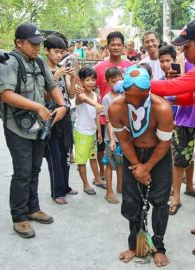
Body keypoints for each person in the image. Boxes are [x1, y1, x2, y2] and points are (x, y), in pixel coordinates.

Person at [0, 22, 67, 238]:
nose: (37, 48)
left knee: (35, 169)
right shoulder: (9, 62)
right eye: (32, 44)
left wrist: (62, 105)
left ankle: (32, 208)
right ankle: (19, 217)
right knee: (23, 171)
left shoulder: (39, 62)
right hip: (16, 127)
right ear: (19, 42)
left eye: (38, 44)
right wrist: (38, 107)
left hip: (37, 126)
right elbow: (5, 94)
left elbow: (52, 85)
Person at [150, 19, 195, 256]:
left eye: (186, 48)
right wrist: (173, 100)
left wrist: (137, 83)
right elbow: (188, 96)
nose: (183, 53)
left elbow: (172, 87)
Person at [109, 65, 173, 267]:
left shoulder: (161, 107)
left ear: (149, 91)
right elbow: (124, 140)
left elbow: (164, 142)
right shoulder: (116, 107)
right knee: (131, 201)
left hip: (159, 155)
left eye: (140, 97)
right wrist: (137, 166)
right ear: (124, 91)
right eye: (130, 97)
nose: (135, 102)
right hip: (132, 154)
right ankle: (135, 245)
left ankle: (158, 247)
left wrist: (148, 167)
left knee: (160, 202)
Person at [158, 46, 195, 215]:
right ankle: (176, 196)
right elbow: (175, 90)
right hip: (184, 120)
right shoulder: (182, 61)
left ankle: (190, 186)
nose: (185, 48)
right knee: (180, 159)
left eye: (187, 45)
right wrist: (173, 78)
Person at [43, 34, 77, 204]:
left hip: (66, 115)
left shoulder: (62, 69)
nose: (59, 55)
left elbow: (70, 94)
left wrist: (73, 76)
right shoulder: (42, 70)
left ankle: (65, 186)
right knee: (54, 155)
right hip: (50, 117)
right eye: (56, 52)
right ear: (46, 51)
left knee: (65, 152)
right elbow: (44, 96)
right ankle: (57, 192)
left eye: (61, 52)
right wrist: (55, 76)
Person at [94, 31, 132, 180]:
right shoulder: (99, 67)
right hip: (105, 116)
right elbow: (90, 87)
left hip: (125, 117)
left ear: (123, 47)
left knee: (123, 147)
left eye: (119, 44)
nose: (116, 47)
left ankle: (123, 178)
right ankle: (103, 173)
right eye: (113, 44)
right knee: (103, 147)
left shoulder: (129, 66)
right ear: (107, 46)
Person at [74, 67, 105, 195]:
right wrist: (96, 104)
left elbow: (97, 114)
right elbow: (85, 100)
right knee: (81, 161)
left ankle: (97, 179)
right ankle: (85, 184)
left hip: (92, 132)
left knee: (93, 157)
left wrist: (99, 131)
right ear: (81, 81)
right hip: (81, 132)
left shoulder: (95, 94)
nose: (91, 82)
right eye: (87, 80)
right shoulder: (79, 94)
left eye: (93, 79)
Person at [101, 67, 123, 204]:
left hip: (124, 137)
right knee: (110, 164)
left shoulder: (125, 95)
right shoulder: (106, 98)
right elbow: (108, 121)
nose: (116, 83)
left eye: (119, 80)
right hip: (112, 138)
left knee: (121, 162)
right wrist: (112, 141)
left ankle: (120, 186)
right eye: (113, 81)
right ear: (108, 83)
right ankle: (109, 191)